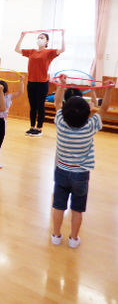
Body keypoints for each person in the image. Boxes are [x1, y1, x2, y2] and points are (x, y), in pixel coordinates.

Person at [51, 75, 114, 248]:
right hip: (81, 175)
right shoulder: (90, 126)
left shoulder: (61, 123)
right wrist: (108, 90)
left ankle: (56, 236)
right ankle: (73, 239)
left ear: (64, 111)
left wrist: (61, 86)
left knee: (58, 206)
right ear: (88, 113)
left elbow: (57, 103)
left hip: (61, 171)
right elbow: (104, 109)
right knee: (77, 209)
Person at [15, 31, 65, 137]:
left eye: (42, 38)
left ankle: (39, 128)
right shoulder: (32, 51)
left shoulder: (49, 52)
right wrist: (22, 37)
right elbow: (17, 50)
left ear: (47, 41)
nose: (40, 39)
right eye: (39, 37)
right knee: (32, 106)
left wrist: (63, 36)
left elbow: (63, 50)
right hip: (31, 82)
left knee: (40, 106)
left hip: (42, 83)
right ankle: (32, 127)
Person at [0, 76, 25, 169]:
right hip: (0, 122)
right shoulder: (8, 96)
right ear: (6, 89)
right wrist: (21, 81)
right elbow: (20, 92)